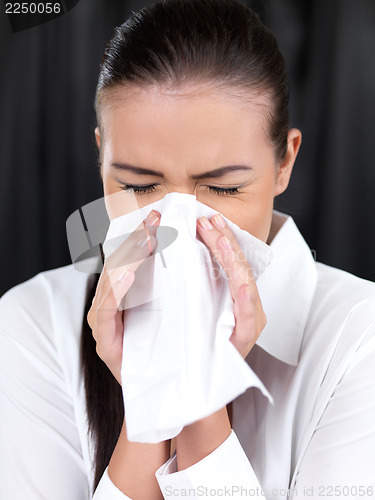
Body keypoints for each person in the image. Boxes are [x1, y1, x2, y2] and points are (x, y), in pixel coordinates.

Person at [0, 0, 374, 498]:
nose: (178, 222)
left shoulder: (357, 337)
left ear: (284, 162)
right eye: (137, 184)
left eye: (221, 189)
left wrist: (199, 400)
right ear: (101, 157)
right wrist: (145, 401)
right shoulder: (33, 323)